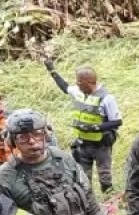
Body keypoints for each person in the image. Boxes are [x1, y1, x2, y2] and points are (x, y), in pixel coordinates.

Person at [42, 59, 122, 193]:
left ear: (89, 81)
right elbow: (64, 87)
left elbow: (117, 121)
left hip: (101, 145)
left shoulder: (106, 98)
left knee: (105, 177)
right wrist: (52, 71)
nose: (77, 84)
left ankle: (110, 203)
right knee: (83, 178)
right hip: (83, 144)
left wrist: (95, 127)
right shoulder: (78, 92)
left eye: (79, 81)